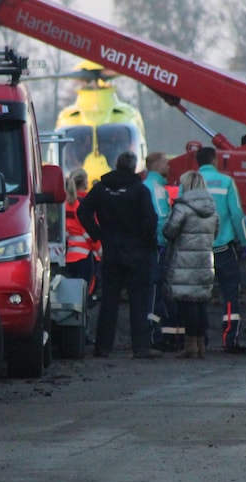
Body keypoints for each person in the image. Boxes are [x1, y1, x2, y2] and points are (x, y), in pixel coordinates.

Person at [77, 151, 161, 359]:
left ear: (116, 164)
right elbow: (150, 220)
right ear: (133, 168)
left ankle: (103, 347)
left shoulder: (102, 188)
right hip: (137, 252)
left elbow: (82, 211)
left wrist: (98, 234)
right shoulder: (139, 190)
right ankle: (140, 347)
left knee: (109, 301)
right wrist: (146, 242)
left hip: (111, 251)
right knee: (138, 300)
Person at [194, 146, 246, 353]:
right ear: (215, 161)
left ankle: (199, 339)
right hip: (223, 249)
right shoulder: (226, 182)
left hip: (197, 250)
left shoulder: (190, 183)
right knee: (229, 294)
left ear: (198, 162)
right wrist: (245, 242)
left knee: (197, 294)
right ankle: (229, 339)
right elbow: (236, 215)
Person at [162, 171, 218, 359]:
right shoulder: (212, 208)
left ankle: (190, 345)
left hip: (184, 262)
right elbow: (215, 233)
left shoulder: (182, 207)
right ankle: (201, 345)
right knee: (200, 303)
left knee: (187, 304)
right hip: (204, 260)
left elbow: (169, 231)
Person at [143, 152, 180, 349]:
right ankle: (151, 334)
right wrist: (167, 239)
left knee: (153, 291)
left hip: (151, 246)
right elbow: (161, 220)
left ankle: (153, 333)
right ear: (157, 165)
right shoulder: (156, 189)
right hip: (157, 247)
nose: (169, 165)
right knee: (155, 290)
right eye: (165, 162)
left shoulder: (149, 186)